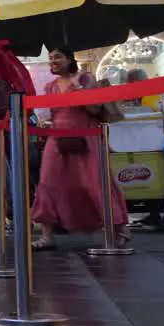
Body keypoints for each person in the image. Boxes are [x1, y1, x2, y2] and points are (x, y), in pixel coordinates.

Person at [32, 47, 130, 250]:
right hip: (57, 138)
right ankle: (47, 235)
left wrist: (79, 91)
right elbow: (54, 113)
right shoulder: (50, 86)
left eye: (57, 57)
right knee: (47, 182)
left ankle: (120, 229)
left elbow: (95, 108)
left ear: (69, 59)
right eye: (50, 58)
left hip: (87, 136)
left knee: (96, 182)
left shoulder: (85, 79)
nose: (53, 61)